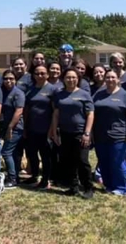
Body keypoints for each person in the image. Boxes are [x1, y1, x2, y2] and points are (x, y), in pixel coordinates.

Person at [50, 68, 95, 198]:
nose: (71, 80)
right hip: (65, 132)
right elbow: (56, 115)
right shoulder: (60, 94)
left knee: (82, 161)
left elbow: (90, 114)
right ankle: (73, 187)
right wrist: (54, 132)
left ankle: (88, 187)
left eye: (74, 77)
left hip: (80, 133)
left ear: (78, 79)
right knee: (68, 161)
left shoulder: (84, 94)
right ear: (63, 79)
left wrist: (87, 133)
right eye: (68, 77)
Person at [93, 70, 126, 195]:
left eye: (113, 77)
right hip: (100, 134)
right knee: (104, 161)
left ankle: (122, 188)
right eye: (108, 77)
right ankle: (109, 185)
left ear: (118, 80)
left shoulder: (125, 95)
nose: (110, 79)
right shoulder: (99, 94)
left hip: (119, 135)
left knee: (117, 162)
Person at [24, 64, 58, 189]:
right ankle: (34, 176)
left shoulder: (53, 90)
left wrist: (52, 130)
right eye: (37, 73)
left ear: (47, 74)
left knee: (45, 156)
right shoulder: (30, 90)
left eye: (43, 73)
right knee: (32, 154)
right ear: (33, 75)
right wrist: (25, 127)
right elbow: (26, 109)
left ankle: (45, 179)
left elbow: (56, 111)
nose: (40, 75)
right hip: (32, 128)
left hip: (46, 129)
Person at [0, 69, 25, 188]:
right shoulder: (2, 91)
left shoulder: (18, 93)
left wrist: (10, 127)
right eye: (6, 78)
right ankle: (15, 176)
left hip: (15, 127)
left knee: (6, 152)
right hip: (5, 126)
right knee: (13, 153)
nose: (8, 81)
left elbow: (19, 111)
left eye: (11, 78)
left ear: (15, 80)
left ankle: (12, 178)